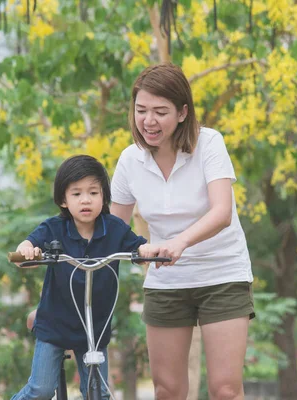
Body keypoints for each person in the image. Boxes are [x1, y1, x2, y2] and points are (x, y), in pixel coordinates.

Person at [110, 63, 255, 400]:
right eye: (141, 110)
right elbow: (112, 230)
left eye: (160, 112)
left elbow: (222, 212)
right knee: (167, 390)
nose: (148, 121)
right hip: (167, 280)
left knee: (225, 390)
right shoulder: (130, 161)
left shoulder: (209, 143)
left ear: (182, 113)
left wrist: (179, 243)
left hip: (222, 273)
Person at [11, 154, 154, 400]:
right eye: (76, 194)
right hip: (55, 324)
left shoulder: (115, 229)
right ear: (63, 200)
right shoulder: (53, 228)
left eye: (93, 193)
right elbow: (28, 244)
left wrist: (147, 250)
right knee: (41, 390)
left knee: (98, 394)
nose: (85, 200)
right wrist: (27, 250)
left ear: (104, 197)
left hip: (95, 327)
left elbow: (139, 247)